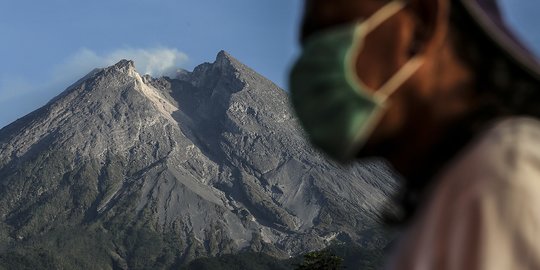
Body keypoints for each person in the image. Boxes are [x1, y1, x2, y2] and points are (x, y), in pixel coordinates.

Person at [289, 0, 540, 269]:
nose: (309, 66)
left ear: (421, 23)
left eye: (332, 31)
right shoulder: (455, 197)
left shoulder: (500, 177)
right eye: (309, 46)